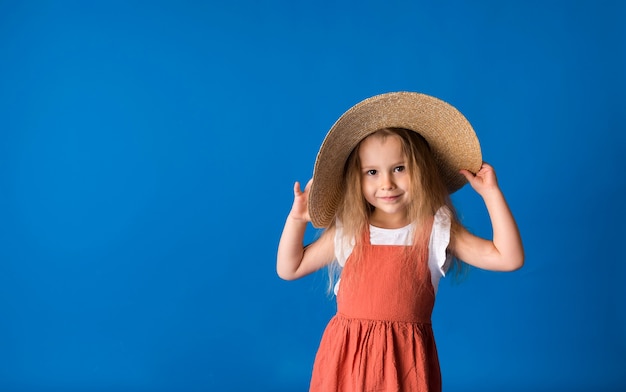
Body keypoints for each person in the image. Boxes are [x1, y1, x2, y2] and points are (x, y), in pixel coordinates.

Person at [276, 92, 524, 391]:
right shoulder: (350, 230)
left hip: (406, 370)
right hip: (346, 365)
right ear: (357, 179)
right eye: (372, 172)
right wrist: (296, 220)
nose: (386, 183)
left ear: (420, 169)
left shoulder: (436, 230)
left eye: (399, 168)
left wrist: (491, 195)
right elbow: (290, 268)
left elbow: (508, 258)